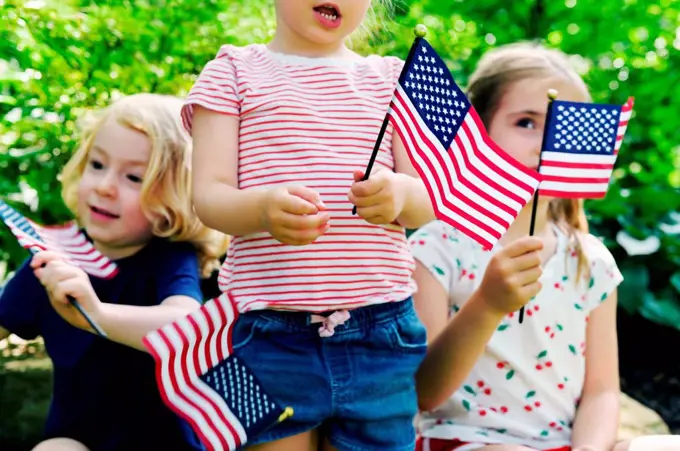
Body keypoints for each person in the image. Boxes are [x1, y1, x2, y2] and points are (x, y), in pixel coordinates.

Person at [181, 1, 440, 450]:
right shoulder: (234, 73)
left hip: (380, 331)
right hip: (270, 332)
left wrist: (399, 193)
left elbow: (429, 198)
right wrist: (261, 209)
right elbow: (210, 196)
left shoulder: (394, 79)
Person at [410, 42, 680, 451]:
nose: (548, 142)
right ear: (478, 131)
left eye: (566, 126)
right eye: (526, 122)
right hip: (467, 441)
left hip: (567, 443)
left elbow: (603, 391)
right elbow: (423, 390)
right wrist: (487, 304)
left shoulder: (590, 260)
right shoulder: (438, 247)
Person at [0, 93, 228, 451]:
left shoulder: (167, 259)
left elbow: (186, 326)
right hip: (78, 439)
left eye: (134, 177)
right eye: (97, 165)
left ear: (177, 197)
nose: (105, 186)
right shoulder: (52, 260)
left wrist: (97, 315)